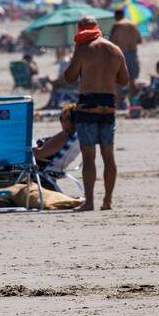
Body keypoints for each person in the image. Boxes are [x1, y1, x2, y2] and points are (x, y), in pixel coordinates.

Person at [62, 16, 128, 211]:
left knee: (89, 156)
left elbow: (69, 77)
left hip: (88, 105)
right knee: (108, 155)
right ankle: (107, 201)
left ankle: (89, 202)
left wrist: (77, 59)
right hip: (108, 105)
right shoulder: (115, 49)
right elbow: (124, 80)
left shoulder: (83, 49)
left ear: (80, 29)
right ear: (97, 28)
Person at [32, 104, 79, 192]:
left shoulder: (65, 136)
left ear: (72, 121)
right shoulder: (77, 136)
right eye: (60, 119)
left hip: (37, 169)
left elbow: (38, 154)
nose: (61, 122)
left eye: (63, 119)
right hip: (49, 169)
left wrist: (31, 142)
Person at [108, 9, 142, 108]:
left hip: (121, 54)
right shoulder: (133, 25)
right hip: (132, 54)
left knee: (118, 81)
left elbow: (111, 42)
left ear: (116, 16)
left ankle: (118, 104)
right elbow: (139, 40)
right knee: (132, 80)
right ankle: (132, 104)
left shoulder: (117, 25)